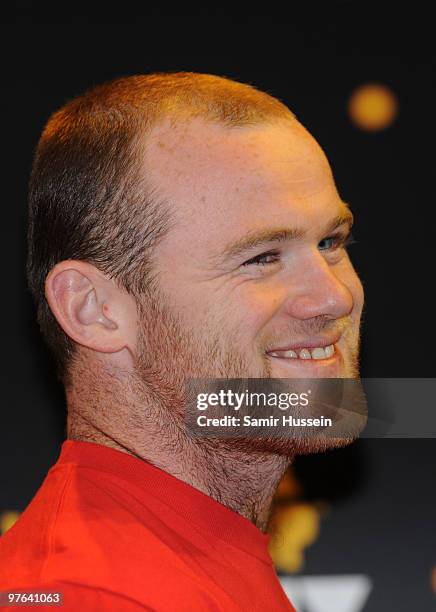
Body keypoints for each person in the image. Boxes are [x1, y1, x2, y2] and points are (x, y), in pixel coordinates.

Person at [0, 72, 364, 611]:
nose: (334, 297)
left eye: (330, 242)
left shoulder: (191, 562)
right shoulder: (86, 594)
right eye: (261, 258)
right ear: (94, 310)